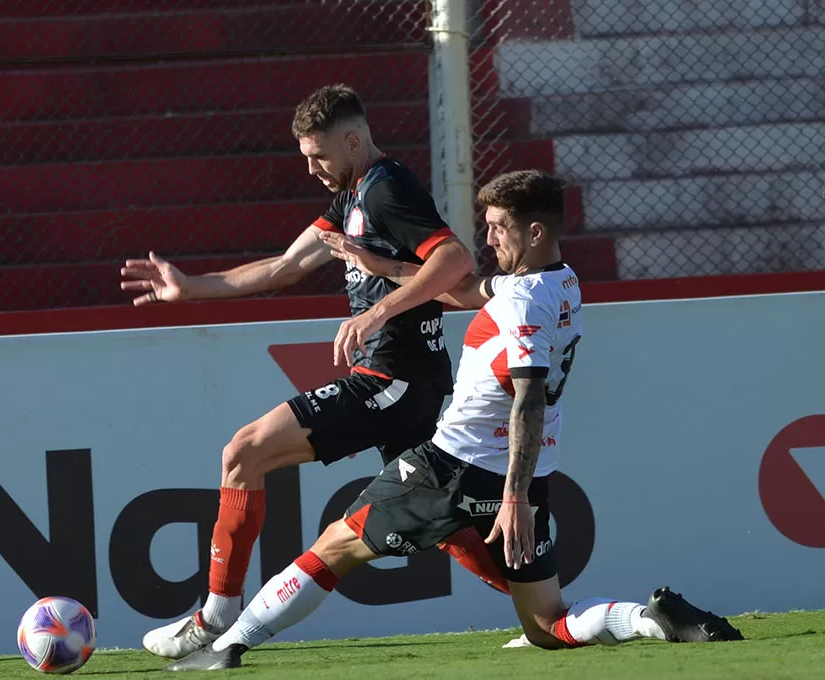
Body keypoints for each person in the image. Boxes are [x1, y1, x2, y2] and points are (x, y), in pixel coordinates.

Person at [164, 170, 744, 671]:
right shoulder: (561, 283)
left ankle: (227, 645)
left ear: (534, 231)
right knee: (548, 624)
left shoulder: (520, 303)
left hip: (454, 467)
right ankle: (650, 618)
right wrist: (381, 265)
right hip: (522, 478)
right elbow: (465, 290)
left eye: (498, 226)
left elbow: (529, 400)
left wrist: (513, 499)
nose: (487, 236)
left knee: (332, 548)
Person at [121, 84, 514, 659]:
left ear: (353, 141)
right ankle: (554, 615)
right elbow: (287, 265)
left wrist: (378, 310)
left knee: (244, 451)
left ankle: (214, 617)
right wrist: (192, 289)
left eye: (319, 155)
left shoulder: (386, 190)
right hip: (412, 386)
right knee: (446, 520)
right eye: (304, 155)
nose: (310, 168)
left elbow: (454, 259)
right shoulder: (352, 195)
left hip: (391, 381)